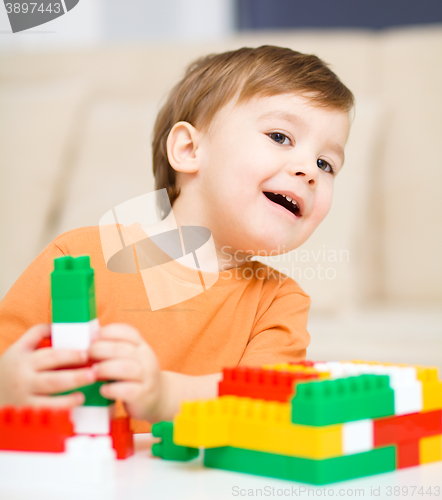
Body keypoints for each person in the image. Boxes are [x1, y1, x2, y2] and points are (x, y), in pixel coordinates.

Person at [0, 46, 354, 430]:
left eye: (326, 164)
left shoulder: (279, 304)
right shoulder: (77, 258)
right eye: (280, 136)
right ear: (188, 150)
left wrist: (165, 396)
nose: (309, 171)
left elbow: (266, 405)